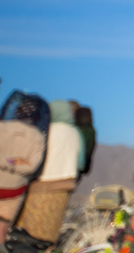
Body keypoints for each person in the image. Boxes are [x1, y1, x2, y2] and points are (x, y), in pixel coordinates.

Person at [13, 100, 82, 245]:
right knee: (50, 231)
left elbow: (36, 158)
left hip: (42, 187)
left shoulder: (47, 130)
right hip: (65, 187)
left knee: (30, 232)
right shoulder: (75, 133)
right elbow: (80, 162)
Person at [0, 92, 49, 244]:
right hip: (14, 190)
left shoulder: (2, 128)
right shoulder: (39, 138)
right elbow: (32, 167)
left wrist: (5, 162)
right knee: (2, 229)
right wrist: (15, 163)